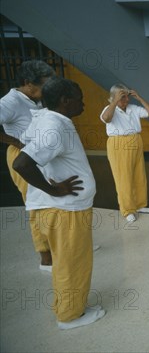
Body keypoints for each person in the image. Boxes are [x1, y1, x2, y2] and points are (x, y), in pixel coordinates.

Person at [13, 77, 105, 330]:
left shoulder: (44, 117)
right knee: (72, 262)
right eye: (80, 98)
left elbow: (25, 142)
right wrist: (53, 188)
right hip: (65, 211)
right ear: (65, 100)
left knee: (67, 261)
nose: (84, 104)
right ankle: (70, 316)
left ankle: (69, 307)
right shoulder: (55, 127)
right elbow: (21, 163)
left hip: (57, 209)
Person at [0, 60, 55, 271]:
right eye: (43, 85)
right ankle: (45, 256)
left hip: (42, 153)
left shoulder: (37, 98)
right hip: (23, 156)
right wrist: (15, 141)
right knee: (36, 204)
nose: (46, 89)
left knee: (54, 201)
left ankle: (62, 244)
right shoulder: (10, 102)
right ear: (27, 83)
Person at [100, 84, 149, 223]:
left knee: (139, 174)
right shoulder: (109, 109)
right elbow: (106, 118)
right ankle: (128, 210)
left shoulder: (133, 109)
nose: (126, 100)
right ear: (112, 98)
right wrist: (114, 102)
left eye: (126, 96)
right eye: (121, 97)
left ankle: (140, 204)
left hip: (135, 140)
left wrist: (139, 98)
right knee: (123, 177)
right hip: (119, 143)